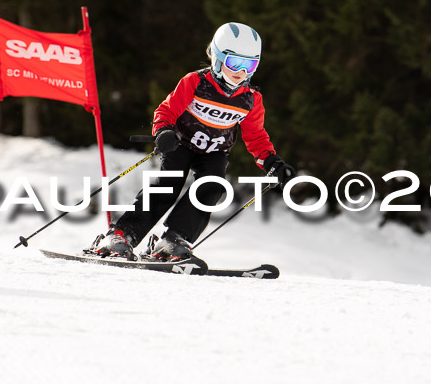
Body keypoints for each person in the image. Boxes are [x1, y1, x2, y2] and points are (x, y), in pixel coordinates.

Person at [88, 22, 295, 261]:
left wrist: (271, 162)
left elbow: (255, 136)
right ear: (217, 58)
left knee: (213, 186)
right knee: (169, 184)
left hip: (215, 151)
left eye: (249, 64)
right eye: (234, 63)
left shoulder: (251, 100)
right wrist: (163, 131)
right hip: (181, 144)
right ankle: (122, 234)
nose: (240, 71)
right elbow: (166, 110)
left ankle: (173, 238)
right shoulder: (196, 82)